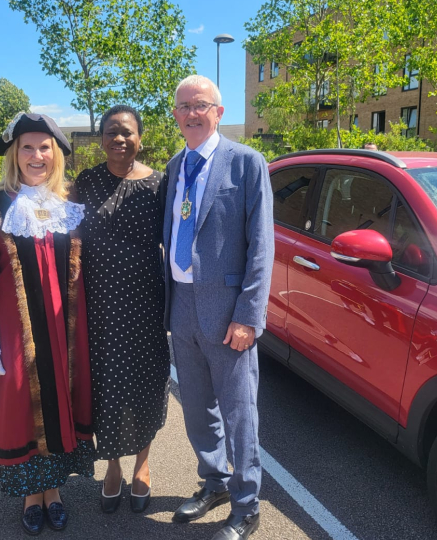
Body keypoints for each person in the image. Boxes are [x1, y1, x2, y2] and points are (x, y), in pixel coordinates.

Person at [0, 113, 95, 536]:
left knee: (61, 402)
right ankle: (30, 496)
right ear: (14, 154)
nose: (37, 155)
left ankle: (53, 491)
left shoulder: (68, 201)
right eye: (28, 147)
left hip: (64, 328)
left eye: (45, 147)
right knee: (22, 406)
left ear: (57, 154)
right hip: (16, 329)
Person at [164, 75, 274, 540]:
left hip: (228, 311)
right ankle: (215, 481)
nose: (192, 112)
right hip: (182, 306)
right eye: (184, 106)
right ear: (175, 115)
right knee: (196, 407)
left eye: (201, 104)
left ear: (219, 112)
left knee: (238, 412)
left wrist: (249, 316)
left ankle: (247, 505)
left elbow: (262, 247)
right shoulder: (174, 166)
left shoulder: (247, 163)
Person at [75, 105, 170, 514]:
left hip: (146, 304)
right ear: (100, 140)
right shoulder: (87, 181)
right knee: (107, 388)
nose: (120, 138)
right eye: (111, 132)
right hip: (99, 306)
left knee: (146, 384)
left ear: (140, 138)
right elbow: (68, 237)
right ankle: (111, 465)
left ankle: (143, 464)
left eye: (127, 132)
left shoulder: (160, 185)